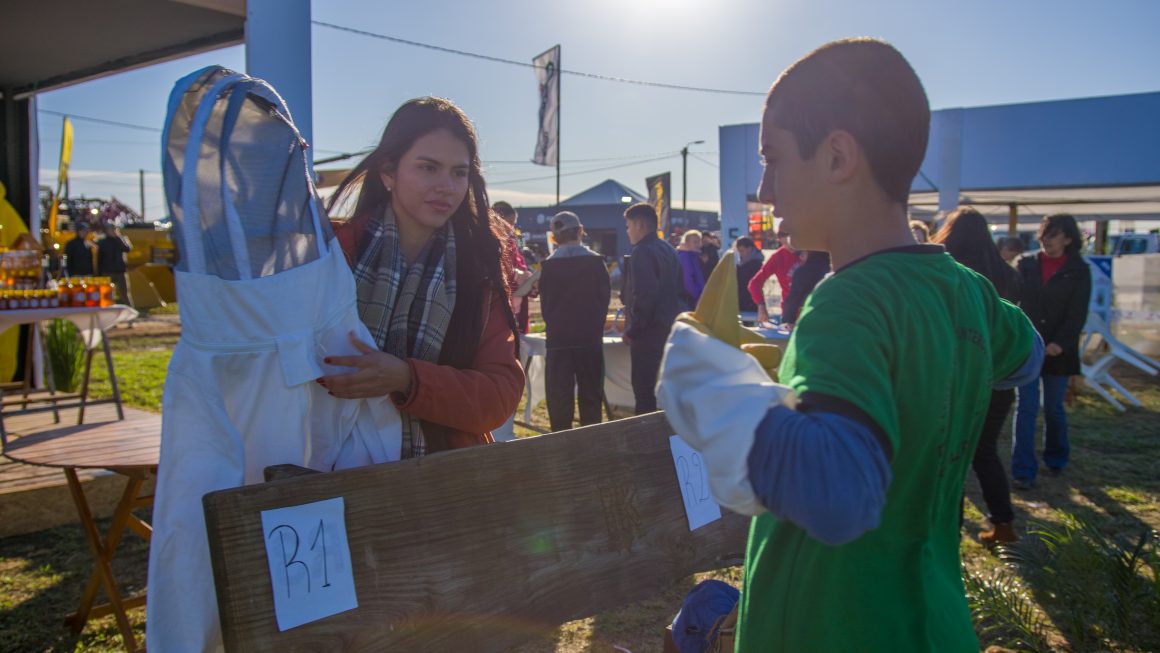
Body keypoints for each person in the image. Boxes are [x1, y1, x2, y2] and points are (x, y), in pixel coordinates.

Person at [656, 38, 1041, 652]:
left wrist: (708, 384)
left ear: (838, 156)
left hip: (832, 625)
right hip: (935, 620)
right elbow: (1027, 356)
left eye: (773, 158)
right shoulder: (966, 292)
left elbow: (837, 495)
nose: (762, 188)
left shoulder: (844, 303)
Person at [320, 97, 524, 456]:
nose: (446, 186)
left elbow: (499, 396)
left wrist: (408, 379)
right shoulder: (332, 253)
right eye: (428, 168)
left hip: (441, 476)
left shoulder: (478, 270)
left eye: (459, 173)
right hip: (328, 463)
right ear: (388, 171)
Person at [932, 207, 1023, 545]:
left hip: (956, 377)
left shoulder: (947, 273)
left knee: (949, 453)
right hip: (999, 374)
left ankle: (948, 530)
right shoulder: (1007, 274)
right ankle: (1004, 523)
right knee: (985, 452)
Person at [1011, 213, 1091, 489]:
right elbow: (1014, 301)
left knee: (1054, 409)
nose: (1047, 239)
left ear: (1068, 239)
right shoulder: (1026, 264)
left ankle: (1056, 458)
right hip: (1028, 347)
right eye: (1045, 233)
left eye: (1054, 234)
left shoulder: (1079, 270)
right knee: (1026, 408)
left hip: (1060, 350)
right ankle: (1023, 470)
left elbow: (1077, 313)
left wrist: (1060, 343)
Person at [539, 210, 611, 431]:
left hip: (559, 340)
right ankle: (592, 444)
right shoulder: (596, 263)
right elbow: (604, 299)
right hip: (589, 338)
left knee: (559, 398)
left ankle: (560, 444)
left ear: (554, 238)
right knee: (591, 396)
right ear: (580, 231)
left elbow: (546, 307)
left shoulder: (548, 267)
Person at [621, 202, 682, 414]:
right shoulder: (669, 249)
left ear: (638, 224)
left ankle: (646, 443)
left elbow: (644, 295)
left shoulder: (642, 252)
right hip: (669, 329)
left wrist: (633, 329)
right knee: (668, 393)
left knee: (644, 392)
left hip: (648, 333)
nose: (627, 231)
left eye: (628, 226)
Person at [492, 200, 533, 335]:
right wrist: (518, 274)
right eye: (510, 223)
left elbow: (519, 262)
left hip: (518, 297)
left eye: (514, 224)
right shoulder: (492, 241)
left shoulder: (512, 240)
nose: (512, 228)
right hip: (504, 302)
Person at [746, 228, 802, 323]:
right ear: (779, 239)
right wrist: (761, 306)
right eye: (786, 242)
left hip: (813, 312)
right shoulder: (778, 257)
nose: (791, 245)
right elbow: (754, 284)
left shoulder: (812, 252)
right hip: (790, 315)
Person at [780, 250, 830, 328]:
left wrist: (787, 321)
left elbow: (793, 298)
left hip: (809, 319)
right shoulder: (832, 270)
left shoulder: (802, 272)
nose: (800, 257)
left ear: (810, 253)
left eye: (802, 254)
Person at [96, 222, 133, 304]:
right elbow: (99, 258)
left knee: (124, 293)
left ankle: (129, 309)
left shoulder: (122, 239)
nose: (113, 231)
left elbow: (127, 249)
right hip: (107, 271)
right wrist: (99, 273)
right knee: (107, 294)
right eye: (110, 229)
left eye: (114, 229)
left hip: (120, 271)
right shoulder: (102, 242)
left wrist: (118, 238)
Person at [676, 229, 706, 309]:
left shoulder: (692, 256)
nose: (698, 244)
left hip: (692, 299)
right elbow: (687, 280)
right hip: (689, 300)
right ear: (686, 243)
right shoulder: (685, 257)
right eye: (695, 242)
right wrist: (698, 294)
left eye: (699, 241)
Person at [734, 237, 764, 313]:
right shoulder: (740, 263)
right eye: (739, 251)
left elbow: (746, 282)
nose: (740, 254)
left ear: (749, 249)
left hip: (751, 301)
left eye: (742, 251)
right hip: (741, 300)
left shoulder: (756, 265)